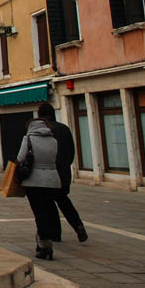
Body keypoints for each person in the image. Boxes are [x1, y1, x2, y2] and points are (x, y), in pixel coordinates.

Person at [37, 102, 87, 243]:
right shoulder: (64, 129)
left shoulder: (43, 130)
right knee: (63, 200)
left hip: (48, 173)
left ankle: (55, 234)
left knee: (48, 204)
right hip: (64, 172)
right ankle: (78, 225)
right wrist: (65, 166)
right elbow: (71, 152)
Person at [17, 117, 61, 261]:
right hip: (52, 180)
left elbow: (20, 158)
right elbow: (56, 158)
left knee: (39, 212)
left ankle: (44, 245)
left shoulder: (28, 139)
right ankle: (44, 240)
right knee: (47, 211)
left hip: (34, 181)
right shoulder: (53, 140)